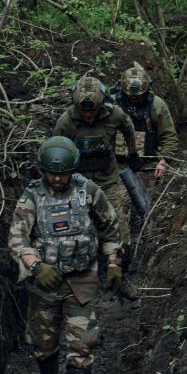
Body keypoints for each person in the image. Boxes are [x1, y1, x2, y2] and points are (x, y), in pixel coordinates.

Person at [8, 136, 124, 374]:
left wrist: (113, 262)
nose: (57, 179)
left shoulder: (89, 192)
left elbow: (110, 226)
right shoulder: (31, 197)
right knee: (44, 343)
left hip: (82, 280)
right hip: (45, 284)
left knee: (82, 344)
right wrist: (35, 266)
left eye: (63, 173)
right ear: (43, 171)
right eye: (52, 173)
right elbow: (17, 239)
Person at [53, 76, 142, 262]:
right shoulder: (66, 122)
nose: (88, 115)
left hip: (107, 180)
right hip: (77, 183)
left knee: (119, 226)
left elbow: (128, 128)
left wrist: (132, 153)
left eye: (92, 110)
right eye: (83, 111)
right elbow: (55, 153)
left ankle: (120, 266)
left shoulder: (114, 114)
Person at [112, 62, 178, 180]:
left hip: (148, 165)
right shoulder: (112, 104)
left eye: (138, 96)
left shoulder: (156, 105)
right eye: (130, 96)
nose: (134, 99)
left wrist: (163, 161)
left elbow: (169, 136)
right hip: (115, 164)